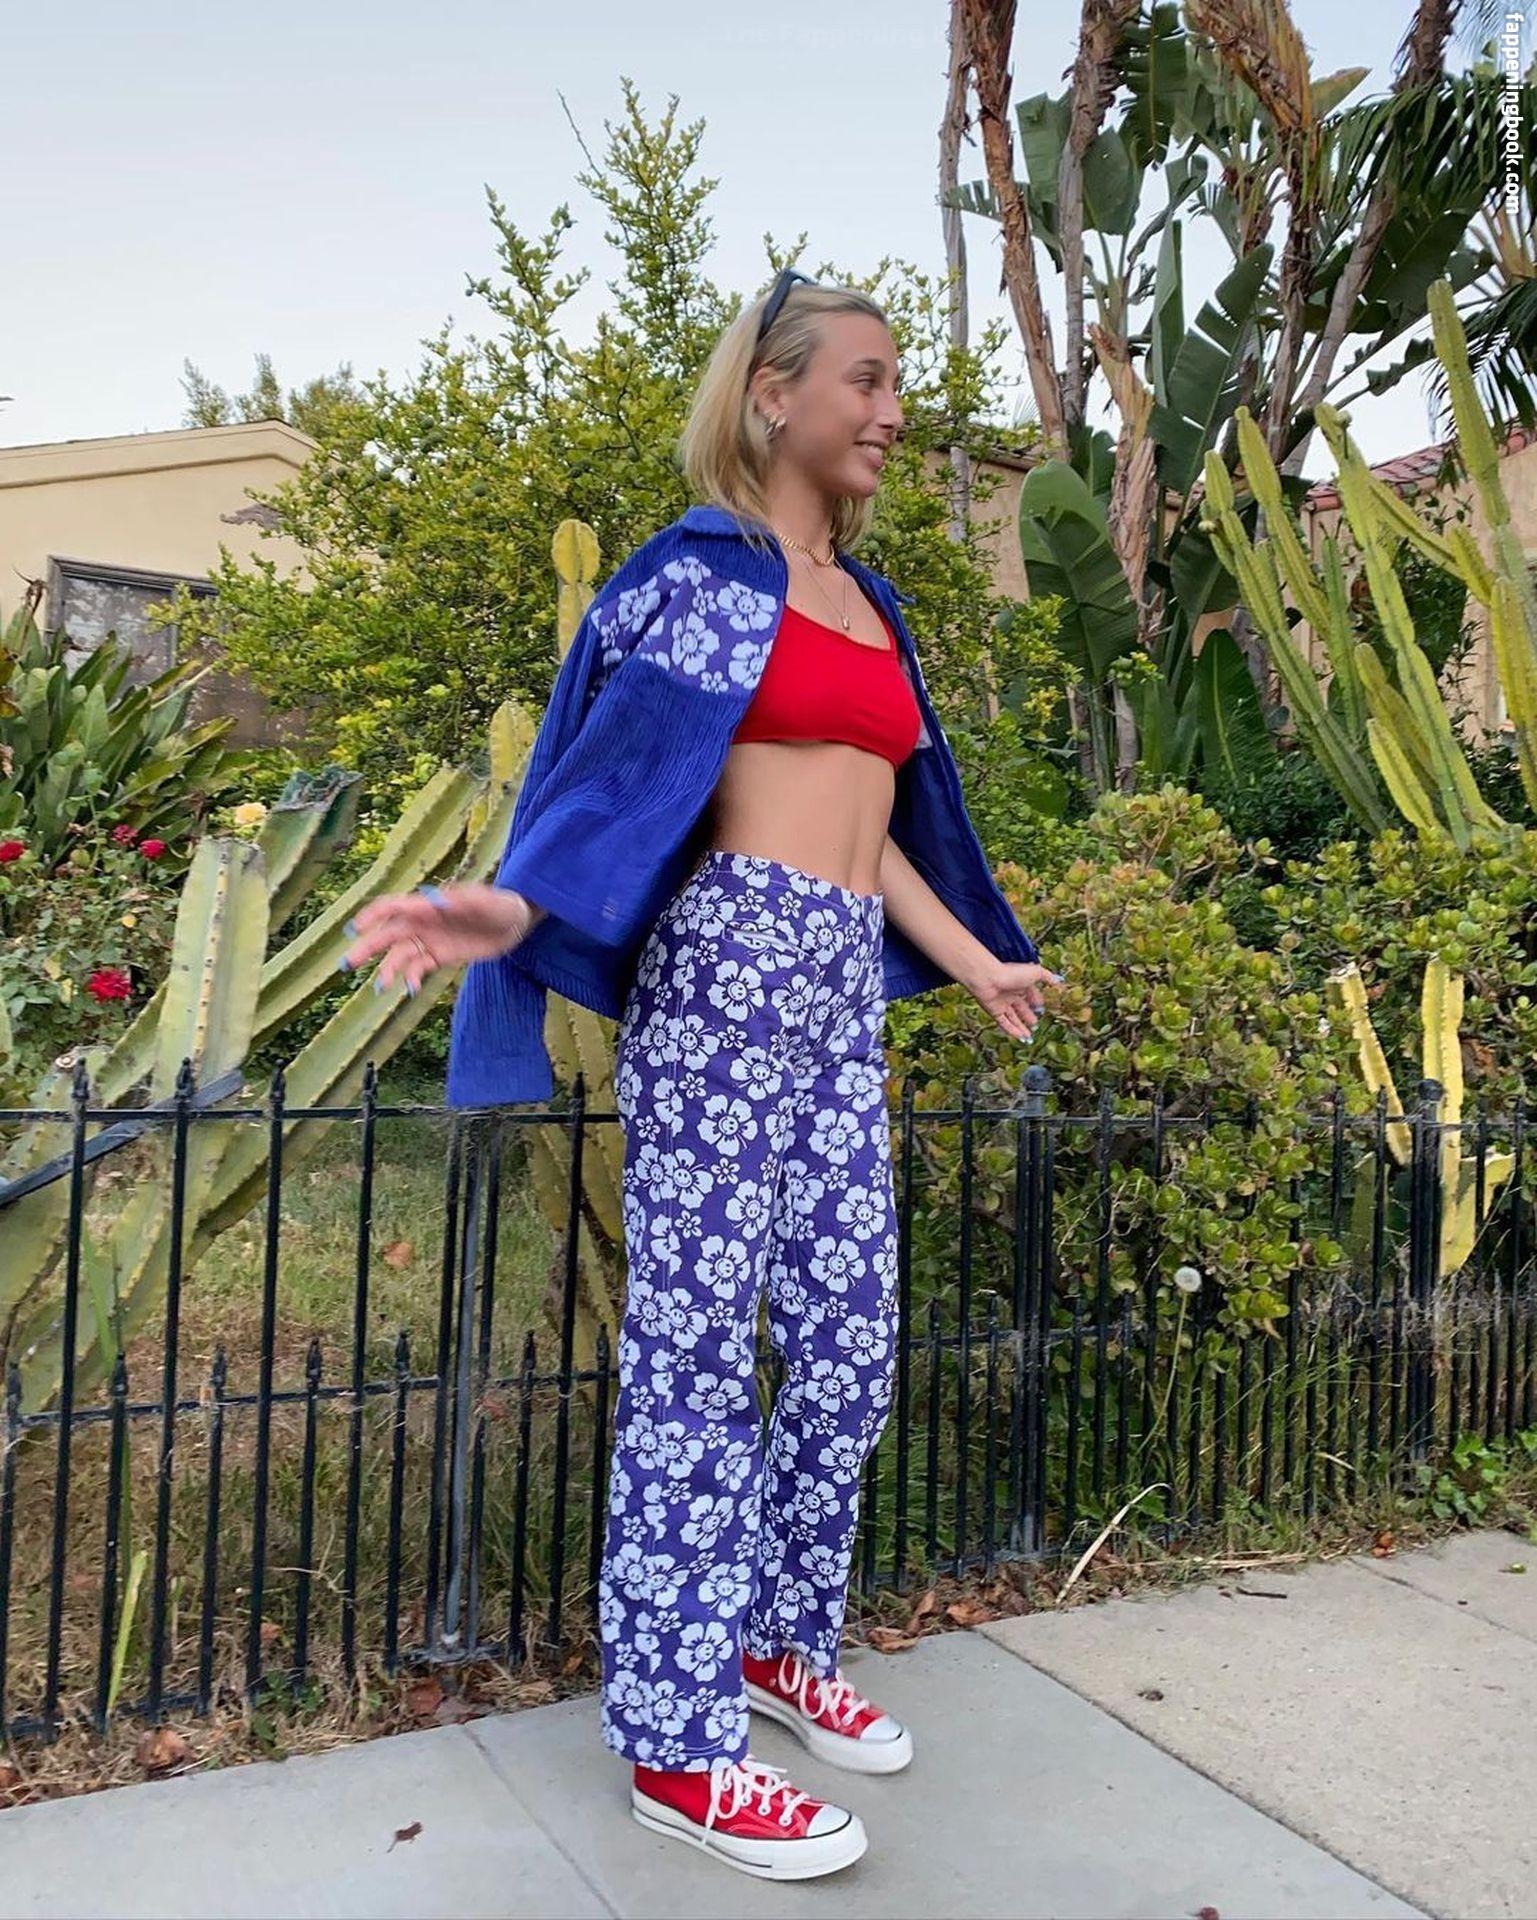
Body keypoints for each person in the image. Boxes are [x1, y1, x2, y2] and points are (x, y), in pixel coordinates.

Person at [344, 268, 1055, 1882]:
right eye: (864, 379)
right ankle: (677, 1743)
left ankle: (773, 1641)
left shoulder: (870, 606)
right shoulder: (694, 580)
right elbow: (608, 782)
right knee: (695, 1356)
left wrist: (972, 959)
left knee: (849, 1343)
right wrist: (509, 907)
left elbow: (880, 828)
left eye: (896, 383)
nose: (890, 411)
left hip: (836, 990)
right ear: (771, 393)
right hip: (726, 970)